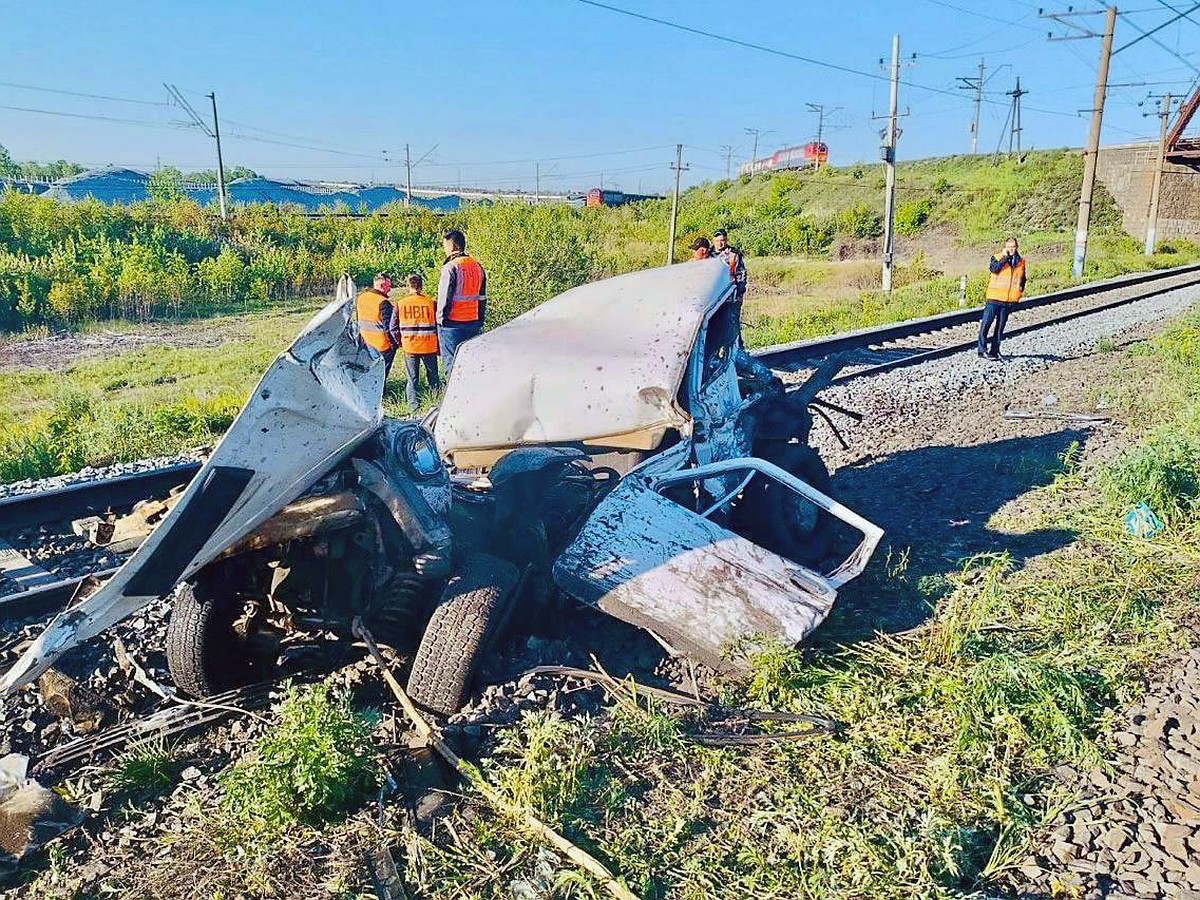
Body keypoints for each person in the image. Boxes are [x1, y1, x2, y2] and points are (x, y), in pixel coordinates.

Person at [436, 229, 486, 374]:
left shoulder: (450, 267)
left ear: (454, 247)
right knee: (471, 364)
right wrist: (480, 319)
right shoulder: (477, 266)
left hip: (452, 325)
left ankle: (454, 396)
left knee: (452, 366)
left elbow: (444, 298)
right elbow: (482, 297)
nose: (444, 250)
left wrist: (440, 320)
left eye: (445, 246)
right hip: (473, 322)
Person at [395, 273, 441, 412]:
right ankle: (437, 402)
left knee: (412, 378)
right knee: (433, 376)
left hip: (410, 346)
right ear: (421, 286)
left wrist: (400, 341)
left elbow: (392, 327)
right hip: (429, 345)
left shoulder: (400, 304)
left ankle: (413, 406)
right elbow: (439, 324)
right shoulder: (431, 303)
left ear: (408, 286)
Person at [977, 236, 1027, 360]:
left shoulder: (1021, 262)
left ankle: (995, 350)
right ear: (1005, 248)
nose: (1011, 250)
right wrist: (1005, 258)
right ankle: (982, 350)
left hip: (1008, 300)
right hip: (994, 298)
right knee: (986, 324)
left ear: (1017, 247)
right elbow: (994, 269)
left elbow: (1022, 279)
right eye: (1008, 247)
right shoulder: (997, 257)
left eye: (1013, 247)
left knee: (1000, 327)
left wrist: (1019, 292)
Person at [355, 272, 400, 374]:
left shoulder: (361, 297)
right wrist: (394, 345)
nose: (390, 289)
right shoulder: (383, 302)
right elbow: (388, 327)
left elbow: (359, 319)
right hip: (382, 346)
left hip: (365, 343)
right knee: (381, 374)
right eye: (389, 286)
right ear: (382, 286)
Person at [712, 229, 748, 301]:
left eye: (722, 240)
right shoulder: (708, 254)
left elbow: (741, 274)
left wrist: (739, 293)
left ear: (726, 240)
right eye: (717, 241)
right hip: (713, 296)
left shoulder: (734, 254)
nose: (719, 243)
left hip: (730, 294)